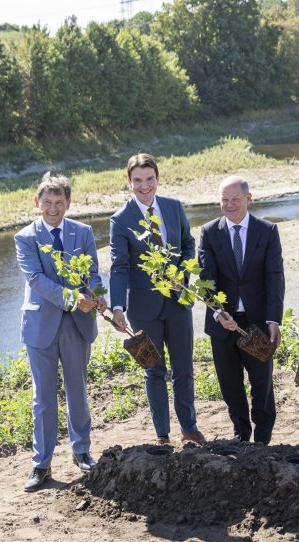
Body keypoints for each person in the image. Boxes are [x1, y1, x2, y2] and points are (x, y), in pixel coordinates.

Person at [15, 173, 106, 492]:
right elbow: (35, 280)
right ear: (36, 202)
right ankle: (41, 464)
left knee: (78, 389)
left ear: (68, 203)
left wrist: (97, 294)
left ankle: (82, 451)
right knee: (43, 397)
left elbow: (93, 271)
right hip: (41, 325)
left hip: (77, 324)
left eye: (59, 202)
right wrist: (73, 298)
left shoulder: (83, 232)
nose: (53, 208)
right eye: (47, 202)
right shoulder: (25, 237)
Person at [109, 153, 205, 446]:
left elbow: (189, 245)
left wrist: (183, 273)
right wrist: (117, 307)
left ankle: (189, 428)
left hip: (178, 301)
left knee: (184, 368)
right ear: (129, 183)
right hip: (143, 308)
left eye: (149, 179)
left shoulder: (174, 208)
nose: (144, 185)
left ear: (157, 179)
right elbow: (119, 266)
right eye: (137, 180)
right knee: (153, 371)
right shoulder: (121, 220)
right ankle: (162, 435)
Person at [198, 175, 285, 444]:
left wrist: (273, 319)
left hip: (257, 321)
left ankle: (262, 435)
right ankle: (240, 433)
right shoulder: (209, 232)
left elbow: (275, 276)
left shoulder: (267, 231)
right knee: (230, 383)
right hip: (222, 323)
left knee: (261, 381)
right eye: (224, 200)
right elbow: (205, 279)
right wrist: (217, 311)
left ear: (248, 198)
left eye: (235, 199)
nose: (229, 204)